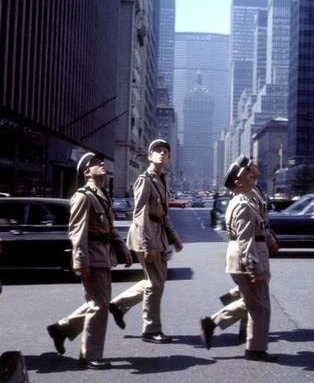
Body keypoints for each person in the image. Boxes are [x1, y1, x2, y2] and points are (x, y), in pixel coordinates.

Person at [47, 152, 132, 370]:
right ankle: (90, 354)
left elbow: (110, 230)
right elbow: (77, 231)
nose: (101, 164)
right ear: (86, 172)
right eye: (96, 163)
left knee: (99, 303)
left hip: (103, 257)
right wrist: (80, 261)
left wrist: (123, 251)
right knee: (99, 305)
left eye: (101, 161)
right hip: (92, 257)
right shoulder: (83, 196)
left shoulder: (103, 194)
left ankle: (63, 329)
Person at [200, 162, 277, 362]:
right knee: (259, 306)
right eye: (247, 174)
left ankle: (213, 323)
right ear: (238, 182)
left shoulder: (246, 199)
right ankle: (255, 350)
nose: (252, 176)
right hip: (247, 259)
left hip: (248, 257)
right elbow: (245, 241)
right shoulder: (243, 204)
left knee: (253, 303)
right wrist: (254, 269)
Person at [108, 139, 183, 343]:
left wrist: (175, 239)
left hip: (157, 234)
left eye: (165, 151)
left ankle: (119, 305)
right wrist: (147, 244)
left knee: (155, 281)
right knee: (155, 284)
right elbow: (139, 213)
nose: (161, 153)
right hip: (145, 234)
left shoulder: (164, 179)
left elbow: (163, 214)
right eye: (157, 150)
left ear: (169, 158)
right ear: (149, 156)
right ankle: (151, 329)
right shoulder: (144, 179)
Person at [216, 156, 279, 342]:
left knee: (254, 297)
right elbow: (245, 234)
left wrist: (270, 239)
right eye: (251, 166)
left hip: (258, 245)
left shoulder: (255, 189)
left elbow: (262, 220)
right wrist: (254, 268)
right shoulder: (243, 195)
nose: (254, 169)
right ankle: (244, 334)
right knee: (256, 300)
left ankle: (232, 307)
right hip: (250, 248)